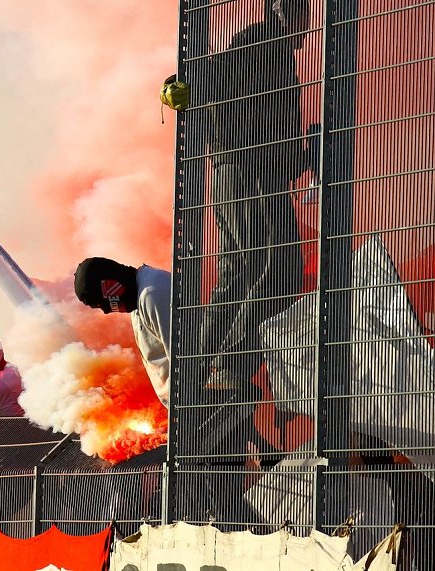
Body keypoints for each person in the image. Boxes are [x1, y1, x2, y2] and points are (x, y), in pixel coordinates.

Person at [200, 0, 313, 391]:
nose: (307, 26)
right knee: (280, 268)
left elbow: (266, 121)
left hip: (233, 174)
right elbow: (211, 75)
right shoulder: (265, 42)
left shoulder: (268, 47)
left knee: (236, 274)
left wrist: (301, 157)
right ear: (286, 13)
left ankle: (198, 368)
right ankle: (232, 367)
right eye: (304, 15)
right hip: (253, 172)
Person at [73, 257, 171, 408]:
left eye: (101, 304)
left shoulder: (151, 295)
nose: (106, 311)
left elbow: (185, 356)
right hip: (186, 404)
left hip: (194, 402)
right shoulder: (140, 297)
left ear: (110, 286)